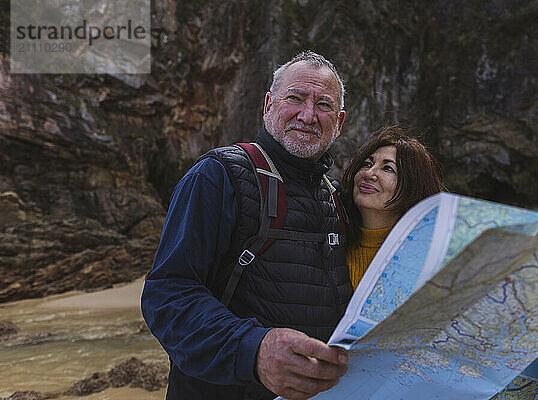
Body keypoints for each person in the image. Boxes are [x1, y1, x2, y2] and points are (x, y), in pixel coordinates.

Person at [141, 51, 352, 400]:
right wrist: (254, 351)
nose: (308, 114)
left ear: (339, 122)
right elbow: (167, 295)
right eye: (295, 98)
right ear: (268, 104)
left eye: (324, 105)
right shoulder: (218, 175)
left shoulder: (335, 197)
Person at [341, 125, 446, 289]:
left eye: (388, 168)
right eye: (367, 164)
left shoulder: (428, 261)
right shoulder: (330, 241)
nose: (369, 174)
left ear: (412, 188)